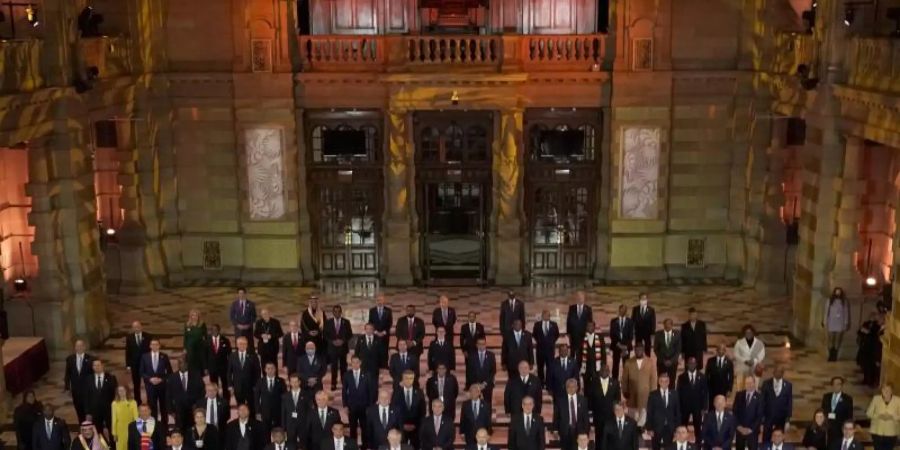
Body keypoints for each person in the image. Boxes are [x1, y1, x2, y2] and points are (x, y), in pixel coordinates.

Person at [621, 345, 656, 426]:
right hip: (631, 394)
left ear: (643, 350)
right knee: (632, 417)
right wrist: (624, 390)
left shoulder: (650, 362)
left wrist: (653, 393)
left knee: (643, 417)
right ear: (634, 350)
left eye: (640, 350)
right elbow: (624, 378)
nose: (638, 352)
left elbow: (653, 379)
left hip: (645, 394)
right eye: (636, 350)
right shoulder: (628, 362)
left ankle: (642, 430)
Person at [168, 358, 204, 434]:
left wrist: (198, 405)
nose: (182, 365)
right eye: (180, 363)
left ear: (187, 364)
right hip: (178, 410)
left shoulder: (196, 375)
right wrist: (170, 410)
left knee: (193, 430)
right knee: (180, 430)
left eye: (184, 363)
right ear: (178, 365)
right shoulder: (172, 377)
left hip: (193, 408)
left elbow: (202, 391)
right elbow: (168, 395)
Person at [343, 356, 375, 441]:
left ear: (360, 363)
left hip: (364, 407)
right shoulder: (347, 375)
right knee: (352, 429)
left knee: (365, 428)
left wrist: (371, 406)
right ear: (351, 363)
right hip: (352, 407)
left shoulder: (367, 374)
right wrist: (345, 405)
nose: (355, 364)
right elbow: (344, 392)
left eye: (357, 362)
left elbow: (371, 392)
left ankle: (364, 447)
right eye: (353, 362)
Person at [646, 373, 681, 450]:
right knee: (655, 447)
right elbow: (649, 412)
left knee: (669, 448)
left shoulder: (674, 394)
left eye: (666, 381)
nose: (664, 383)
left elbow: (677, 412)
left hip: (670, 427)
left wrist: (677, 428)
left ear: (669, 382)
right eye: (662, 381)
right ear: (659, 382)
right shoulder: (653, 394)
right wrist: (649, 428)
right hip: (656, 427)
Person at [391, 371, 426, 448]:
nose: (408, 380)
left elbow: (422, 412)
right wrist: (402, 425)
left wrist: (416, 425)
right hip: (401, 429)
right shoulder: (396, 393)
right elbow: (393, 411)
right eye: (406, 378)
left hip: (416, 429)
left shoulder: (419, 392)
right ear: (402, 379)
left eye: (411, 378)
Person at [140, 339, 171, 421]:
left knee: (163, 407)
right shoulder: (144, 357)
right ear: (150, 346)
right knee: (152, 407)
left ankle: (164, 427)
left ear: (159, 346)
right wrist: (150, 379)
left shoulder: (164, 356)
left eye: (156, 344)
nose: (154, 346)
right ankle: (153, 426)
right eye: (152, 344)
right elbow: (141, 372)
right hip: (150, 386)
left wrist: (161, 379)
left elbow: (169, 372)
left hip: (162, 386)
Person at [675, 358, 707, 437]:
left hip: (697, 406)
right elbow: (678, 392)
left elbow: (705, 393)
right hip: (685, 407)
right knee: (683, 427)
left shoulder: (702, 377)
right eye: (690, 363)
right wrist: (678, 407)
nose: (692, 365)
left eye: (693, 363)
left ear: (696, 364)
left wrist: (704, 407)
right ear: (687, 364)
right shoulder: (681, 377)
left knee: (698, 428)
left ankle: (698, 446)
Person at [554, 379, 589, 450]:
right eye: (569, 387)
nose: (571, 389)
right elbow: (556, 416)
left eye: (573, 387)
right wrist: (555, 429)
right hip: (565, 430)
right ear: (566, 388)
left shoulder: (583, 400)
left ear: (577, 388)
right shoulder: (560, 400)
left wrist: (586, 431)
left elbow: (585, 417)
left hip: (579, 430)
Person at [229, 337, 261, 415]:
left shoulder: (253, 356)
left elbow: (258, 372)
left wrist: (256, 385)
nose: (242, 345)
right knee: (240, 406)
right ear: (237, 345)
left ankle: (252, 422)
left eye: (244, 344)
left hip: (250, 387)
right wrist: (230, 385)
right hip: (238, 386)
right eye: (240, 344)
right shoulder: (232, 356)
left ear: (247, 345)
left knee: (252, 406)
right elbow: (229, 372)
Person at [760, 366, 793, 444]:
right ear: (773, 372)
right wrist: (761, 419)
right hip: (768, 418)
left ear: (783, 373)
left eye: (780, 372)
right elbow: (762, 402)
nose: (778, 373)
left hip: (781, 418)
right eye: (776, 371)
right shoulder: (766, 384)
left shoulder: (788, 385)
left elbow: (789, 402)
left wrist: (788, 420)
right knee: (766, 439)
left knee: (779, 439)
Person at [65, 340, 95, 423]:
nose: (79, 348)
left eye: (81, 346)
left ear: (84, 347)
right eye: (77, 346)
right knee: (79, 410)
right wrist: (67, 387)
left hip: (88, 391)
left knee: (88, 411)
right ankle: (82, 427)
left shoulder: (90, 359)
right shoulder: (70, 359)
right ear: (75, 348)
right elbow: (67, 374)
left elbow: (93, 375)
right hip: (76, 391)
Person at [85, 359, 118, 434]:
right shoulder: (89, 379)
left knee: (111, 429)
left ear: (102, 366)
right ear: (92, 367)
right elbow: (86, 396)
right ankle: (100, 445)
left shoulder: (111, 378)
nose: (96, 367)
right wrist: (88, 412)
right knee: (98, 431)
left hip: (109, 409)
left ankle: (112, 445)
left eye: (98, 365)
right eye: (94, 365)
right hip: (95, 410)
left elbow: (115, 394)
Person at [324, 305, 352, 390]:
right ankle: (333, 383)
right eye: (335, 311)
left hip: (343, 348)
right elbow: (325, 335)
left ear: (341, 312)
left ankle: (344, 383)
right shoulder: (328, 322)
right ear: (333, 312)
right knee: (334, 367)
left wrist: (342, 341)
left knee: (344, 367)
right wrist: (332, 341)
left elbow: (350, 334)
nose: (337, 313)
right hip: (332, 349)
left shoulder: (346, 322)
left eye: (338, 311)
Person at [821, 376, 853, 448]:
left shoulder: (847, 399)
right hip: (828, 428)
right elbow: (822, 411)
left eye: (838, 384)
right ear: (832, 385)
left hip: (840, 429)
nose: (836, 386)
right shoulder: (826, 397)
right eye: (834, 384)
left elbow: (849, 415)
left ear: (841, 386)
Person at [733, 376, 764, 450]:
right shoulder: (739, 395)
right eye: (747, 383)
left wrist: (750, 429)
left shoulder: (760, 397)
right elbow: (735, 412)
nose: (749, 385)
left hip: (752, 432)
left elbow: (759, 416)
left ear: (754, 383)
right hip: (740, 430)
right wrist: (739, 427)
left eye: (751, 383)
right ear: (745, 384)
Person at [590, 365, 620, 439]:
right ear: (599, 371)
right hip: (598, 416)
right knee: (599, 438)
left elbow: (617, 399)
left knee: (610, 438)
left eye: (606, 370)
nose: (604, 372)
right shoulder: (593, 382)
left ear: (609, 372)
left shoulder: (615, 383)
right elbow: (590, 399)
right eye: (602, 370)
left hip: (610, 416)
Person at [255, 362, 286, 434]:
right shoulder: (260, 381)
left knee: (278, 433)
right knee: (265, 433)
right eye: (268, 368)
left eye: (272, 368)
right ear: (265, 370)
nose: (270, 370)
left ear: (275, 369)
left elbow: (285, 398)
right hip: (265, 412)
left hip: (278, 412)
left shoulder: (281, 381)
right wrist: (258, 412)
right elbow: (256, 398)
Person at [867, 384, 900, 450]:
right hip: (877, 431)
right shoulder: (876, 399)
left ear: (892, 391)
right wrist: (878, 416)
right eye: (884, 389)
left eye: (888, 390)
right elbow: (868, 413)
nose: (886, 391)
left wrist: (892, 417)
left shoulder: (898, 400)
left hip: (891, 432)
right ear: (881, 390)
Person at [125, 322, 151, 402]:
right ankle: (137, 401)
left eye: (138, 326)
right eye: (135, 327)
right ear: (133, 328)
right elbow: (128, 352)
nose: (137, 328)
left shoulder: (148, 336)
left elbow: (150, 350)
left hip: (146, 364)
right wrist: (128, 365)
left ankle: (149, 400)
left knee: (148, 383)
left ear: (141, 327)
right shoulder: (129, 337)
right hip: (134, 365)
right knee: (136, 384)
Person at [857, 311, 885, 387]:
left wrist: (868, 332)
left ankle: (872, 381)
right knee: (866, 365)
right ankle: (866, 379)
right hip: (866, 347)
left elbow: (874, 335)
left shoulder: (877, 326)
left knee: (873, 366)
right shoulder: (867, 323)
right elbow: (860, 331)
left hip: (874, 348)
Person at [205, 326, 232, 402]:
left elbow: (229, 354)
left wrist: (230, 366)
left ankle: (226, 400)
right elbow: (204, 355)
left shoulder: (225, 340)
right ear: (211, 331)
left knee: (225, 385)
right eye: (213, 330)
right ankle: (215, 399)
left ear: (219, 330)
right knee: (214, 385)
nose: (215, 331)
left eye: (216, 330)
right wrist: (205, 367)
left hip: (223, 367)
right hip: (212, 367)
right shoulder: (207, 341)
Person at [465, 338, 496, 402]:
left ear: (485, 345)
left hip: (487, 386)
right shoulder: (471, 356)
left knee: (487, 404)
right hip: (475, 385)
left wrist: (484, 384)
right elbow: (469, 372)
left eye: (483, 344)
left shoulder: (491, 355)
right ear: (476, 345)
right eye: (479, 344)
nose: (481, 345)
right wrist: (476, 384)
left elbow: (493, 371)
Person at [824, 287, 850, 362]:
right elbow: (826, 311)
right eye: (836, 292)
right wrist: (825, 321)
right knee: (831, 339)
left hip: (840, 322)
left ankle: (835, 355)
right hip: (831, 321)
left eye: (839, 292)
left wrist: (846, 323)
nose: (837, 293)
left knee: (837, 340)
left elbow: (846, 313)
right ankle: (830, 354)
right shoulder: (830, 300)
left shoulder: (844, 302)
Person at [368, 294, 393, 369]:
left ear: (384, 301)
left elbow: (390, 323)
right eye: (378, 300)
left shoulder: (388, 310)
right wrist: (375, 331)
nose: (379, 302)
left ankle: (385, 365)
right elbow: (370, 322)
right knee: (375, 349)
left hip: (385, 334)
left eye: (381, 300)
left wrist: (384, 332)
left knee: (385, 349)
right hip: (375, 334)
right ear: (376, 301)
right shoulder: (372, 310)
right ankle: (376, 364)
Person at [566, 291, 593, 358]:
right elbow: (568, 321)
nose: (580, 299)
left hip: (584, 335)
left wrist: (589, 333)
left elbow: (590, 323)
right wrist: (568, 333)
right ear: (576, 298)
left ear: (584, 298)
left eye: (581, 297)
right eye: (578, 297)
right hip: (573, 335)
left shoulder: (588, 309)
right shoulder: (572, 308)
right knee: (573, 352)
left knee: (583, 353)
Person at [609, 305, 634, 379]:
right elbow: (612, 334)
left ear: (626, 311)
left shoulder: (630, 321)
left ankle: (626, 382)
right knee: (615, 365)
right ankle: (614, 381)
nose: (623, 311)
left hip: (626, 347)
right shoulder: (613, 321)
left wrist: (625, 346)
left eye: (624, 310)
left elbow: (631, 335)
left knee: (626, 365)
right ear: (619, 310)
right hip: (616, 346)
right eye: (621, 310)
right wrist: (618, 344)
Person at [229, 288, 257, 352]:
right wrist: (237, 325)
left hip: (248, 329)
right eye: (239, 293)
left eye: (242, 293)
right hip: (238, 329)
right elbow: (232, 317)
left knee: (249, 346)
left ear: (245, 294)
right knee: (239, 344)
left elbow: (254, 317)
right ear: (238, 294)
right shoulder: (234, 304)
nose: (241, 295)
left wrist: (248, 325)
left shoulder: (251, 304)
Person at [579, 321, 606, 386]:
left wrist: (603, 365)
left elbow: (603, 352)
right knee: (586, 385)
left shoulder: (600, 337)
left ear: (594, 327)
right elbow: (579, 353)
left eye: (591, 326)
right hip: (586, 366)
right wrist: (579, 365)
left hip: (597, 366)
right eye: (588, 326)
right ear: (586, 327)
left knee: (597, 384)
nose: (590, 327)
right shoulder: (582, 338)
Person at [280, 375, 305, 447]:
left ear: (299, 382)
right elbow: (283, 413)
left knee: (303, 445)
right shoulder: (285, 396)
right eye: (292, 382)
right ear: (290, 383)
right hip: (290, 426)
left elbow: (309, 412)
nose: (294, 384)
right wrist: (283, 428)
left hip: (302, 425)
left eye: (296, 382)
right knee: (291, 445)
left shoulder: (306, 395)